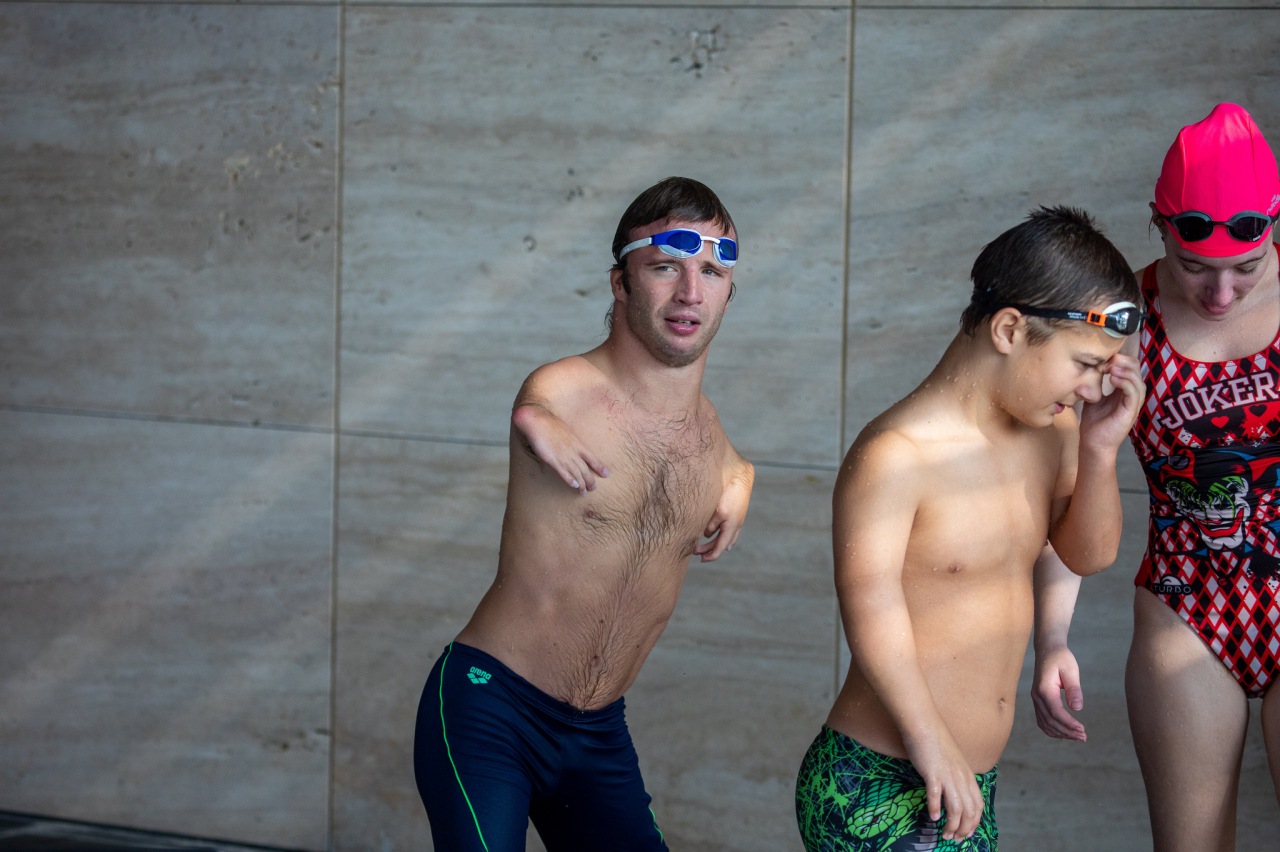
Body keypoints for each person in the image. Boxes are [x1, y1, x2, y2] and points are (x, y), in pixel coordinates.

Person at [413, 176, 755, 852]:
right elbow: (535, 409)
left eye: (711, 273)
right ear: (621, 283)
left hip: (597, 734)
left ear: (727, 293)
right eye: (665, 268)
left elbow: (734, 462)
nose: (691, 292)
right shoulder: (565, 389)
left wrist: (744, 479)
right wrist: (534, 424)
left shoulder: (710, 436)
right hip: (491, 708)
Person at [795, 207, 1146, 851]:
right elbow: (869, 603)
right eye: (1085, 363)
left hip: (965, 781)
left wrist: (1100, 451)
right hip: (878, 777)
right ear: (1010, 329)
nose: (1096, 387)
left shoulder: (1055, 432)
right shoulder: (897, 453)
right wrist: (931, 742)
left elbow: (1087, 554)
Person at [1031, 103, 1280, 851]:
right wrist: (1051, 637)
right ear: (1160, 226)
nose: (1221, 294)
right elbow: (1069, 489)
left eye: (1246, 268)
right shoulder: (1123, 327)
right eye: (1195, 266)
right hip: (1186, 609)